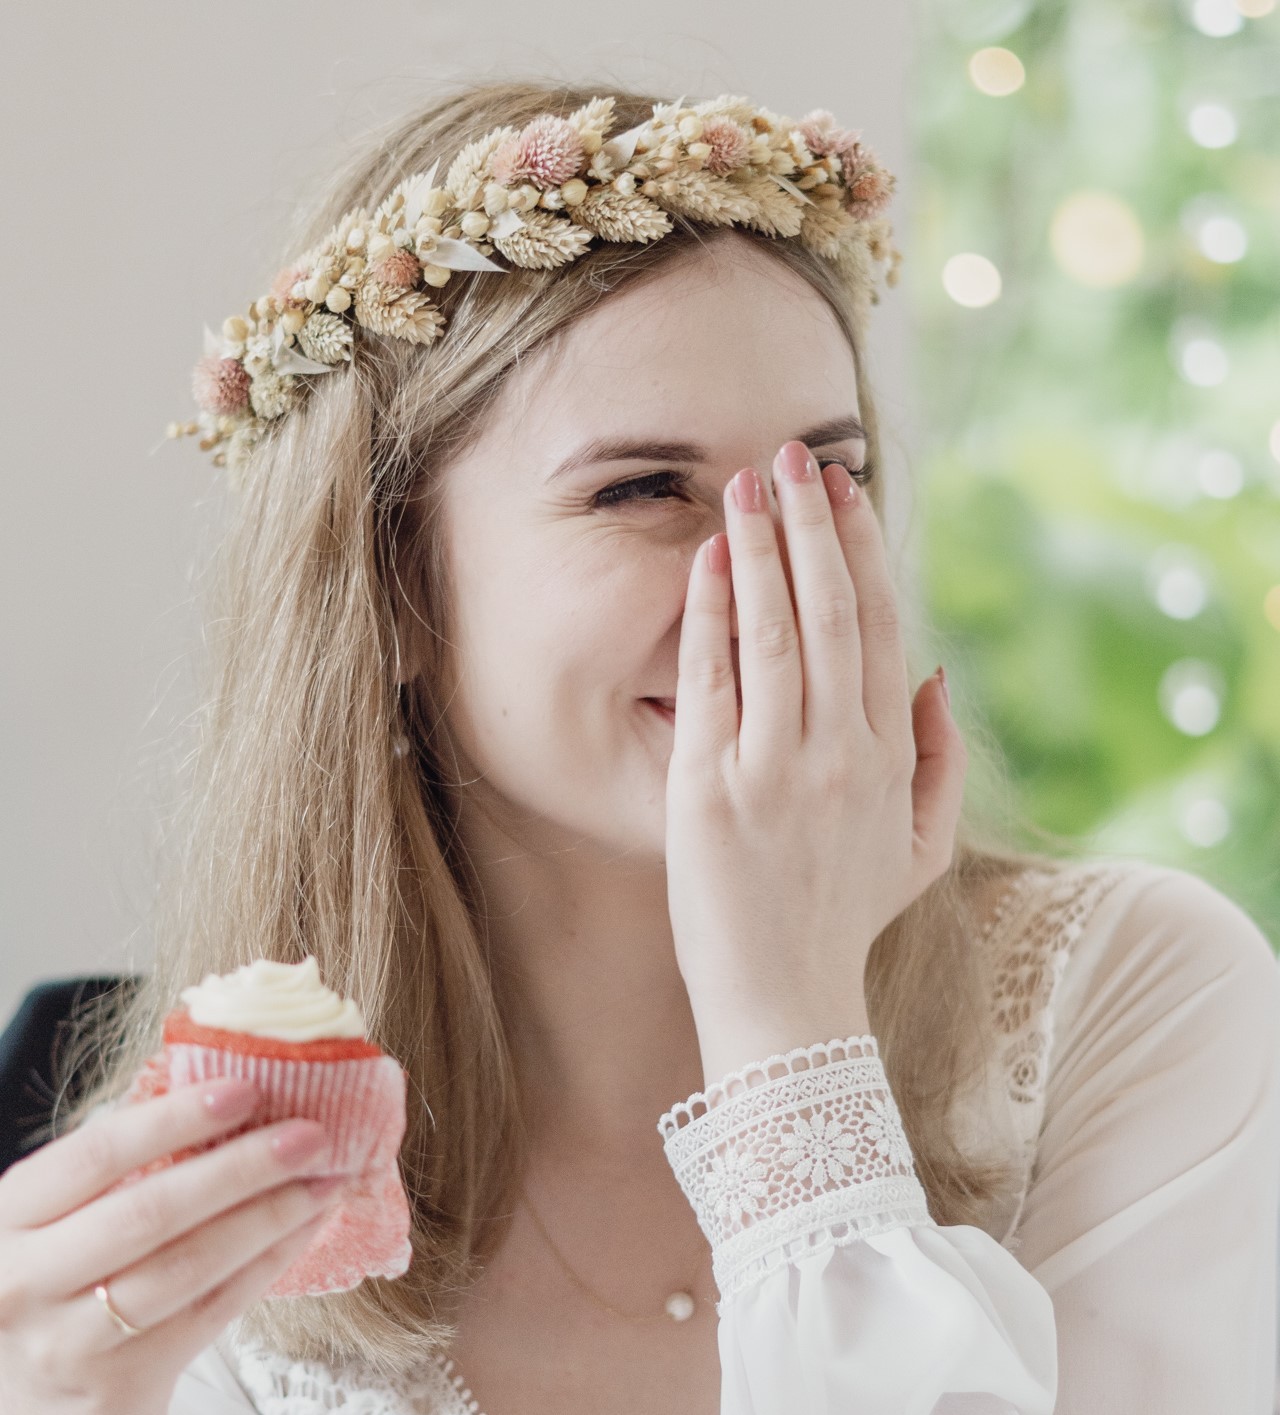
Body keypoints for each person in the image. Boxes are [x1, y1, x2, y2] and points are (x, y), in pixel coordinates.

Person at [2, 77, 1278, 1415]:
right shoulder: (220, 1170)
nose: (770, 583)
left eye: (824, 481)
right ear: (392, 591)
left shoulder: (1139, 1001)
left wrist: (791, 1028)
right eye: (642, 489)